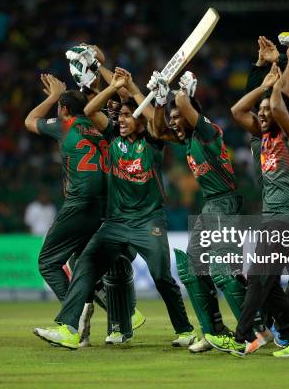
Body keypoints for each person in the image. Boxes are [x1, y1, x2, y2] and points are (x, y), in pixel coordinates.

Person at [33, 68, 194, 349]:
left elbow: (156, 122)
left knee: (161, 278)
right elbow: (93, 107)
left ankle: (184, 330)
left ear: (140, 121)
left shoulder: (153, 142)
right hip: (116, 223)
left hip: (148, 221)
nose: (119, 120)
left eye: (126, 116)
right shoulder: (111, 137)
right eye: (118, 116)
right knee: (84, 265)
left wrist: (141, 93)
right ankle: (70, 329)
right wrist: (116, 86)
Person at [24, 65, 143, 346]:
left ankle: (72, 317)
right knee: (85, 265)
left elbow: (30, 121)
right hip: (105, 207)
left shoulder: (66, 125)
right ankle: (125, 313)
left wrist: (54, 96)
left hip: (80, 204)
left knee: (48, 262)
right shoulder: (101, 126)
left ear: (64, 110)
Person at [214, 60, 289, 358]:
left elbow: (278, 106)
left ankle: (242, 336)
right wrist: (263, 86)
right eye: (259, 113)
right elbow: (236, 112)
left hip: (286, 219)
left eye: (266, 112)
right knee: (266, 282)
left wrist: (276, 84)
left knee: (259, 277)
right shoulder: (265, 138)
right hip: (270, 218)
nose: (260, 115)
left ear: (280, 113)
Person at [150, 70, 258, 353]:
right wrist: (161, 101)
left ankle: (253, 331)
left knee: (223, 270)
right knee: (191, 269)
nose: (174, 123)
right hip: (211, 205)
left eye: (177, 117)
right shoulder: (185, 140)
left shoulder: (208, 132)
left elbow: (186, 105)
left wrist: (179, 94)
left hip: (225, 202)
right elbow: (156, 131)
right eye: (172, 118)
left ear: (190, 115)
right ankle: (214, 332)